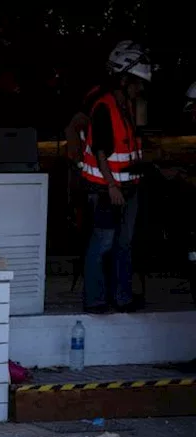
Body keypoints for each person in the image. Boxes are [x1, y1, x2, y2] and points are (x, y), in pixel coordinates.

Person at [65, 40, 150, 313]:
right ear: (123, 79)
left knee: (123, 244)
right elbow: (101, 151)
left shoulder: (129, 106)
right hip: (106, 190)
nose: (141, 88)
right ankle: (96, 300)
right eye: (137, 82)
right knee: (102, 242)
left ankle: (122, 297)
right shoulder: (104, 105)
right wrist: (112, 185)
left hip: (129, 187)